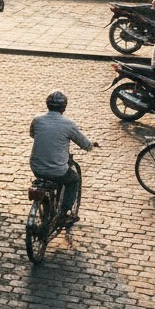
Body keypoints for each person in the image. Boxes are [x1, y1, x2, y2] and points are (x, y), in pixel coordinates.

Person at [29, 90, 95, 224]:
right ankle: (64, 213)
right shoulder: (68, 124)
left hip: (36, 167)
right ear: (64, 107)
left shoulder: (37, 120)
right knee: (73, 180)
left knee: (52, 179)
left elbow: (33, 134)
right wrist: (91, 146)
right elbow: (85, 144)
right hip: (57, 170)